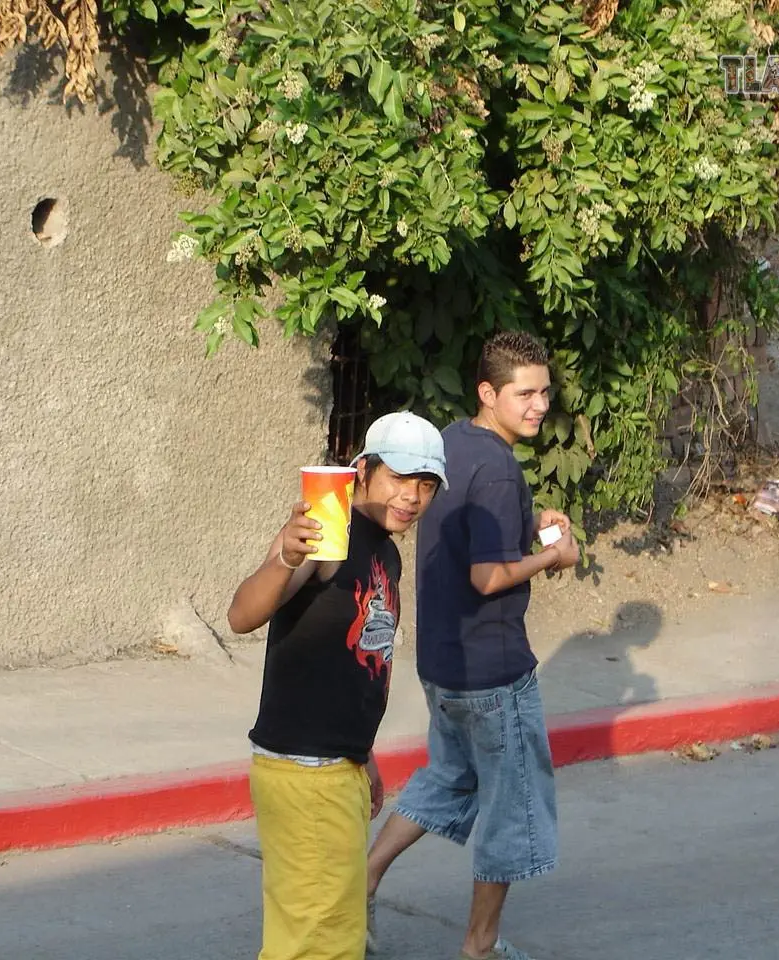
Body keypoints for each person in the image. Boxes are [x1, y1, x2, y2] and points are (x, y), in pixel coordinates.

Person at [365, 332, 580, 960]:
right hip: (493, 669)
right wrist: (552, 556)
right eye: (525, 393)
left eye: (544, 391)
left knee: (450, 778)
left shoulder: (452, 443)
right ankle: (480, 948)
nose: (539, 404)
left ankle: (363, 879)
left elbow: (478, 542)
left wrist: (536, 530)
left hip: (442, 661)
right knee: (511, 810)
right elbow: (487, 576)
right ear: (489, 392)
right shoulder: (497, 468)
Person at [228, 411, 450, 960]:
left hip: (337, 766)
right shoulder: (331, 535)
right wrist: (285, 554)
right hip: (307, 772)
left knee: (325, 932)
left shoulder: (385, 550)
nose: (411, 497)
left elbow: (354, 664)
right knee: (317, 944)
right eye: (399, 478)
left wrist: (364, 755)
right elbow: (241, 614)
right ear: (364, 471)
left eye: (425, 485)